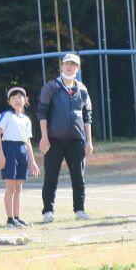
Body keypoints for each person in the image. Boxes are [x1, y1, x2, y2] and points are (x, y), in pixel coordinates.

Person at [38, 53, 93, 223]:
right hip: (54, 139)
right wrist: (44, 137)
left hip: (77, 140)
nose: (69, 67)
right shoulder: (51, 87)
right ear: (62, 66)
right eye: (67, 63)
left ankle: (80, 209)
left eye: (73, 64)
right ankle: (48, 211)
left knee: (79, 177)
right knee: (51, 176)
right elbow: (42, 113)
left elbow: (87, 116)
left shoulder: (82, 89)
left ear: (78, 68)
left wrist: (89, 141)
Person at [0, 87, 40, 228]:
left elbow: (27, 142)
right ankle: (10, 219)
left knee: (19, 187)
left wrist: (32, 161)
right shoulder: (7, 115)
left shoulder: (26, 119)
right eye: (13, 98)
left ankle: (17, 217)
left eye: (20, 97)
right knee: (11, 187)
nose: (17, 100)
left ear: (25, 100)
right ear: (9, 102)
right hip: (9, 149)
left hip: (22, 150)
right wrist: (1, 155)